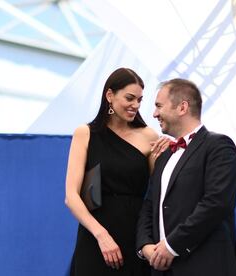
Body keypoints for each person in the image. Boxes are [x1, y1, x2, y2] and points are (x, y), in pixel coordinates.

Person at [65, 68, 166, 275]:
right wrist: (101, 235)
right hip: (95, 237)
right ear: (110, 95)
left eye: (139, 100)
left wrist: (167, 152)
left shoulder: (149, 136)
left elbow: (160, 192)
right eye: (130, 98)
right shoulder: (85, 133)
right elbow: (71, 196)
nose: (135, 105)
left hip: (135, 235)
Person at [136, 78, 236, 276]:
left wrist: (172, 246)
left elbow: (216, 203)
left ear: (182, 107)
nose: (154, 113)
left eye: (159, 106)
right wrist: (146, 246)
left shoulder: (218, 146)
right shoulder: (164, 155)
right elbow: (149, 206)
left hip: (205, 267)